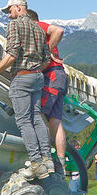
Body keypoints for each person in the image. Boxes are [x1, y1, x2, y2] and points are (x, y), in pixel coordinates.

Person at [0, 0, 51, 180]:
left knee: (23, 121)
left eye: (10, 10)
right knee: (37, 117)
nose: (8, 15)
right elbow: (47, 58)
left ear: (19, 8)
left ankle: (36, 163)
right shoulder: (38, 28)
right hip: (38, 77)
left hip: (22, 77)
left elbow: (12, 54)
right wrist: (34, 69)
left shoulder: (15, 25)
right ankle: (47, 159)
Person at [26, 9, 68, 175]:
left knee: (38, 114)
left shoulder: (39, 27)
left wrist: (47, 52)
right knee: (56, 122)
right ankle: (61, 162)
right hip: (60, 76)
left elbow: (59, 30)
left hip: (51, 77)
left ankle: (45, 157)